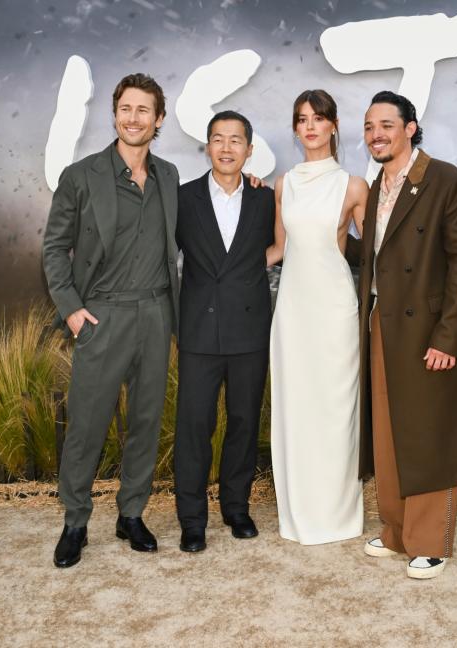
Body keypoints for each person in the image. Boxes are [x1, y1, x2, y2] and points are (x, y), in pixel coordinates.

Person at [356, 91, 457, 579]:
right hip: (382, 324)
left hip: (426, 329)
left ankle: (429, 542)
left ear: (410, 127)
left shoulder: (445, 180)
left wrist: (447, 338)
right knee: (387, 434)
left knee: (427, 434)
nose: (376, 134)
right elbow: (373, 257)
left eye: (385, 124)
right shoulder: (375, 184)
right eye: (368, 127)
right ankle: (397, 531)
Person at [43, 73, 180, 567]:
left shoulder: (168, 176)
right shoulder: (82, 176)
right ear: (115, 114)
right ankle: (75, 522)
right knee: (88, 425)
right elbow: (55, 248)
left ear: (158, 120)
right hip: (102, 315)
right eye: (126, 108)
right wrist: (73, 311)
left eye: (144, 110)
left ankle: (131, 514)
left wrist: (245, 184)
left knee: (145, 421)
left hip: (156, 312)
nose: (134, 118)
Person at [266, 89, 369, 545]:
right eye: (302, 118)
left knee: (335, 409)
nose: (310, 126)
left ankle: (337, 515)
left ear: (333, 125)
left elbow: (379, 251)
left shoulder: (353, 186)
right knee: (297, 408)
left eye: (318, 118)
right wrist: (222, 267)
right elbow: (279, 249)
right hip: (293, 310)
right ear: (295, 128)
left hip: (334, 310)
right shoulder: (283, 184)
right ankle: (299, 514)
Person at [173, 111, 275, 552]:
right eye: (218, 139)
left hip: (249, 329)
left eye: (236, 140)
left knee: (243, 423)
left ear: (249, 150)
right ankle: (192, 519)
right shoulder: (182, 198)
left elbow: (281, 247)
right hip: (198, 330)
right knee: (194, 426)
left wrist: (252, 270)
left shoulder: (266, 199)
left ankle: (236, 508)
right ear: (208, 147)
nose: (227, 147)